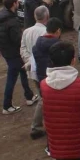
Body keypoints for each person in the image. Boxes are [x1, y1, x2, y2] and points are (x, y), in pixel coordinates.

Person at [0, 0, 38, 114]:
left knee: (23, 71)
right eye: (17, 2)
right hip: (15, 53)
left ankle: (29, 96)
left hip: (6, 51)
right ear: (13, 4)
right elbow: (18, 39)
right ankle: (7, 105)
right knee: (12, 77)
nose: (18, 3)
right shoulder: (12, 20)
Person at [31, 17, 63, 148]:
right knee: (56, 108)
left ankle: (36, 127)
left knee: (43, 101)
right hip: (53, 79)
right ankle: (54, 138)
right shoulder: (57, 45)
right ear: (58, 31)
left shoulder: (37, 43)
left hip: (40, 77)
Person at [20, 5, 49, 139]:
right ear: (46, 17)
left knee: (43, 96)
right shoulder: (45, 32)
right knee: (45, 98)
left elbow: (23, 49)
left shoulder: (27, 31)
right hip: (44, 70)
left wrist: (29, 61)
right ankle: (36, 127)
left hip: (32, 70)